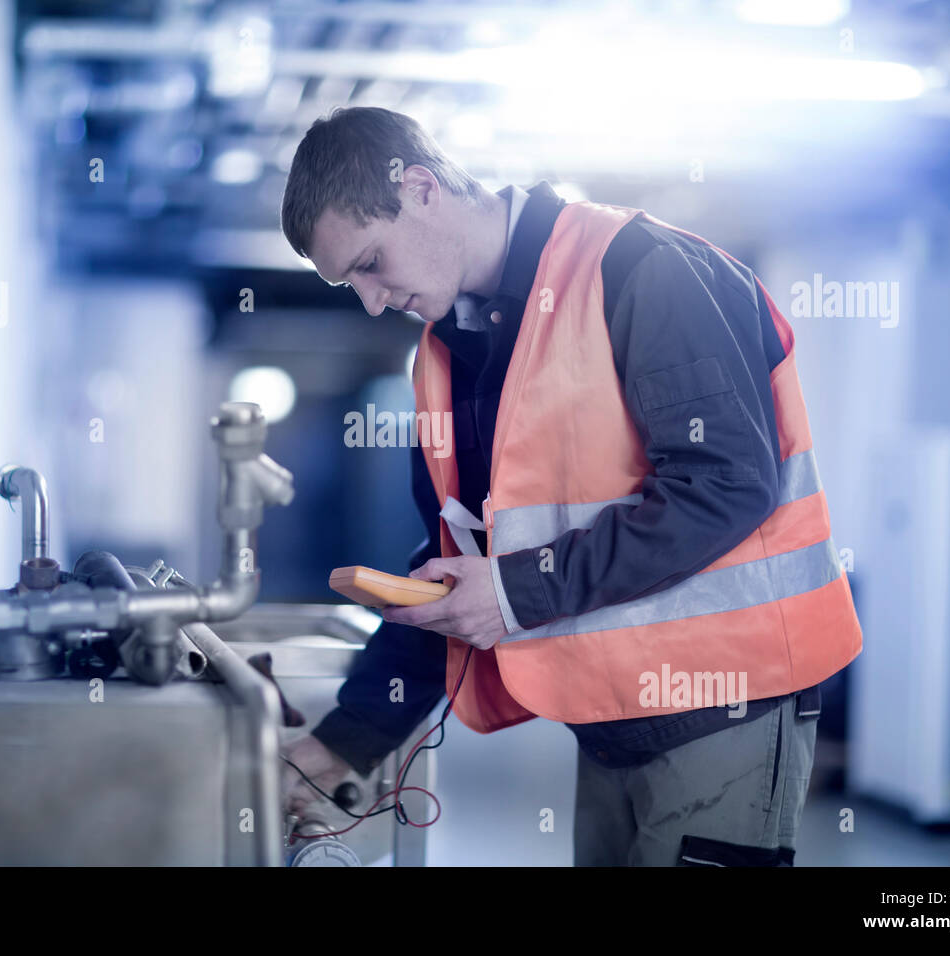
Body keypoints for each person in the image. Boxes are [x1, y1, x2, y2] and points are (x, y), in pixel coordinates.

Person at [277, 106, 861, 866]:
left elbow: (724, 486)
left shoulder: (641, 268)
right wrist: (343, 743)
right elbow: (458, 567)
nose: (372, 301)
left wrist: (517, 592)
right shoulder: (451, 355)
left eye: (368, 263)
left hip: (729, 703)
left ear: (420, 188)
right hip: (609, 717)